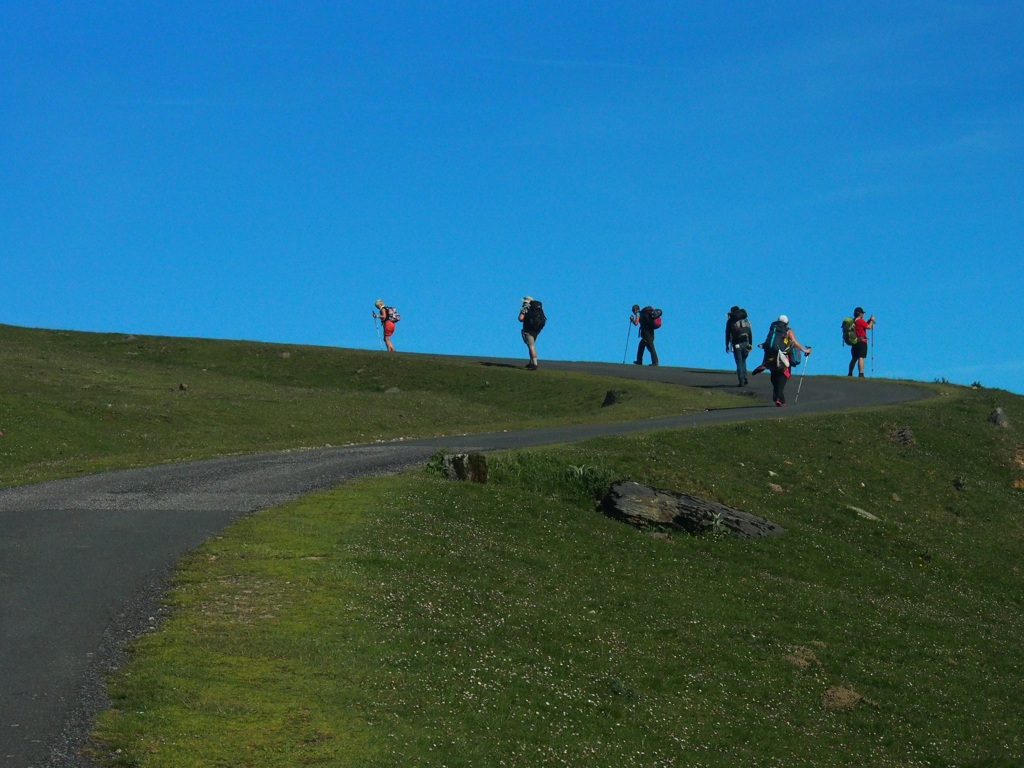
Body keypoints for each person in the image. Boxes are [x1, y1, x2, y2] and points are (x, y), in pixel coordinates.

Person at [754, 315, 812, 406]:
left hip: (771, 354)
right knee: (783, 375)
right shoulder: (788, 331)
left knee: (774, 375)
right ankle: (779, 397)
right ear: (787, 322)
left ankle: (777, 395)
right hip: (783, 356)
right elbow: (794, 342)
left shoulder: (773, 329)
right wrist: (805, 350)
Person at [725, 306, 752, 386]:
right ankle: (745, 377)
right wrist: (750, 343)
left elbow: (727, 333)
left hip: (737, 344)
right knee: (744, 360)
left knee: (739, 362)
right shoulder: (745, 319)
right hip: (746, 343)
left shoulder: (730, 321)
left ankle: (741, 380)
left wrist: (726, 345)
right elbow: (750, 332)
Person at [847, 307, 876, 377]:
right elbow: (868, 327)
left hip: (855, 342)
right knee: (861, 357)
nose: (863, 314)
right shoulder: (860, 321)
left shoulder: (854, 321)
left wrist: (869, 320)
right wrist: (872, 320)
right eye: (862, 313)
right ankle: (861, 373)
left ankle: (850, 373)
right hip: (862, 341)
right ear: (859, 314)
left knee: (854, 358)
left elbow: (864, 325)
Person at [519, 296, 545, 370]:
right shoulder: (536, 309)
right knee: (531, 346)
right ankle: (531, 362)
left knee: (531, 346)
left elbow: (520, 318)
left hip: (528, 330)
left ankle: (535, 364)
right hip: (536, 330)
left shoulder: (526, 307)